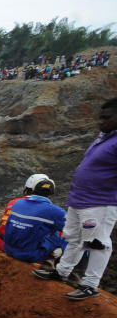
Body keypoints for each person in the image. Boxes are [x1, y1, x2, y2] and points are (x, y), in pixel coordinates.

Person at [34, 98, 117, 300]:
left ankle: (90, 284)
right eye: (100, 117)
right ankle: (62, 271)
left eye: (106, 118)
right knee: (73, 238)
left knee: (97, 242)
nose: (100, 121)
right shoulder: (104, 138)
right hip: (80, 199)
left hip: (99, 201)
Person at [0, 175, 67, 266]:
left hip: (3, 244)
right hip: (28, 254)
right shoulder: (52, 211)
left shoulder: (15, 203)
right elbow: (72, 231)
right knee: (59, 233)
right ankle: (61, 267)